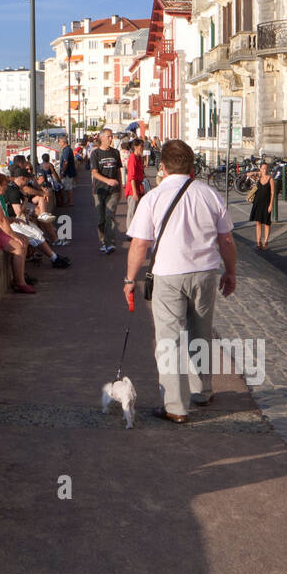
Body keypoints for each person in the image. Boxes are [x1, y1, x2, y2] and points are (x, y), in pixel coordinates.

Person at [124, 140, 236, 423]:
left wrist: (129, 279)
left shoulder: (153, 198)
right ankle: (202, 390)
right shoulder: (209, 194)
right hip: (205, 273)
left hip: (168, 274)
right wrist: (230, 272)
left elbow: (139, 244)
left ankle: (175, 406)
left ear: (162, 167)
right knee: (201, 332)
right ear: (192, 167)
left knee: (169, 341)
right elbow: (226, 239)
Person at [90, 128, 123, 254]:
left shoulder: (115, 152)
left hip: (113, 190)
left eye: (111, 136)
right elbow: (94, 173)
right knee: (101, 218)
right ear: (101, 138)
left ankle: (111, 243)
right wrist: (107, 180)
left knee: (110, 216)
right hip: (99, 190)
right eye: (108, 136)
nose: (111, 139)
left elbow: (118, 171)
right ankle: (103, 241)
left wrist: (120, 188)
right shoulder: (95, 154)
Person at [249, 161, 275, 249]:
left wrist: (271, 204)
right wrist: (258, 172)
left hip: (267, 203)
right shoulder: (258, 178)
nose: (265, 170)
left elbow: (272, 193)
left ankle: (266, 242)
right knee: (258, 222)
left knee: (267, 223)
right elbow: (248, 174)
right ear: (260, 169)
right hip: (257, 203)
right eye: (263, 168)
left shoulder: (270, 179)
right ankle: (258, 242)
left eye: (266, 168)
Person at [58, 136, 77, 207]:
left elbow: (65, 162)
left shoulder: (66, 150)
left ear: (63, 142)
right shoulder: (68, 149)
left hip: (67, 173)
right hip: (70, 172)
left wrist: (62, 172)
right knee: (68, 187)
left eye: (59, 142)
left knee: (68, 187)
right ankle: (69, 201)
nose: (59, 143)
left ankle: (70, 202)